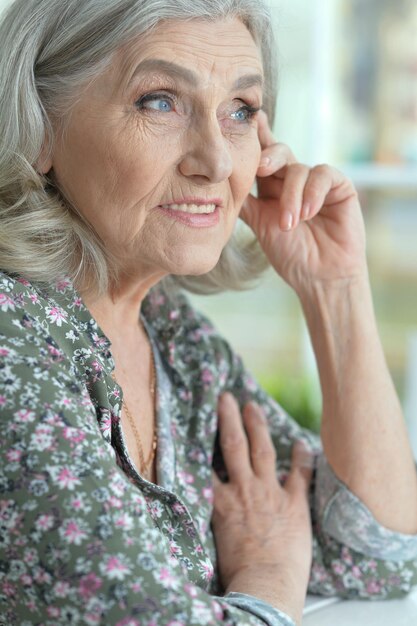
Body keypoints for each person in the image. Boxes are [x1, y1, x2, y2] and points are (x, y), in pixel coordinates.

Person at [0, 0, 417, 624]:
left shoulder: (169, 333)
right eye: (160, 101)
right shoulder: (12, 343)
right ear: (39, 129)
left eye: (241, 111)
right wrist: (271, 578)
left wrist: (335, 286)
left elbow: (377, 554)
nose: (218, 161)